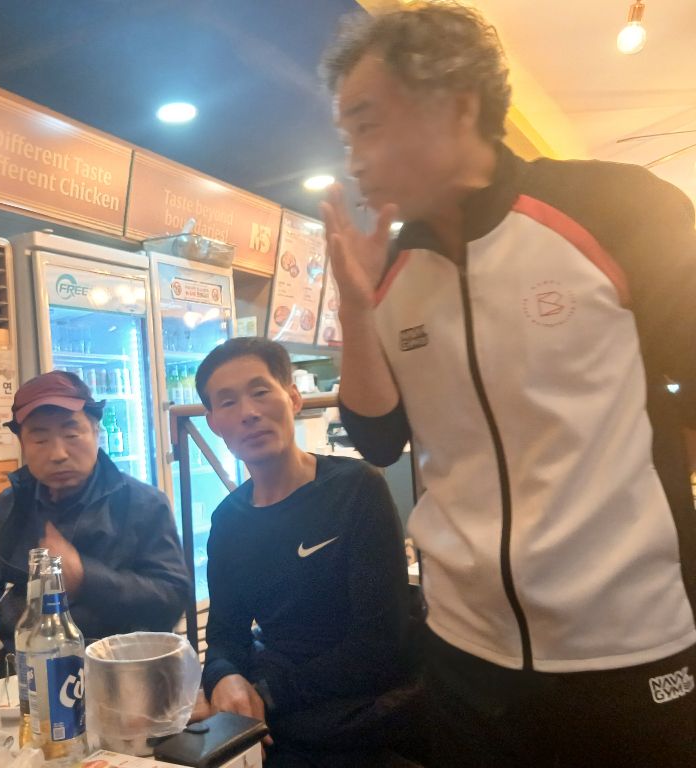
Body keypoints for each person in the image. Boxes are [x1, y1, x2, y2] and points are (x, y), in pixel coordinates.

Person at [319, 4, 696, 765]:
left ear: (459, 105)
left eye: (369, 125)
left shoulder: (618, 207)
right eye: (347, 136)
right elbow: (378, 437)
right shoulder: (390, 267)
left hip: (633, 641)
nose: (355, 160)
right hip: (466, 651)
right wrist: (356, 310)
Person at [196, 338, 422, 767]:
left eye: (260, 391)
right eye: (227, 402)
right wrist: (223, 677)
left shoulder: (357, 488)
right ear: (214, 423)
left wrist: (263, 693)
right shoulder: (228, 520)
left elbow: (379, 643)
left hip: (361, 719)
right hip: (275, 723)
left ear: (293, 398)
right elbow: (225, 635)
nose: (248, 412)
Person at [0, 370, 190, 678]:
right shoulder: (13, 503)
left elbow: (171, 600)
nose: (58, 454)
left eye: (72, 434)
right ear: (22, 443)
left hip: (115, 675)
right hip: (22, 673)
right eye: (40, 438)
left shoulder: (143, 503)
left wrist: (85, 577)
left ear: (96, 431)